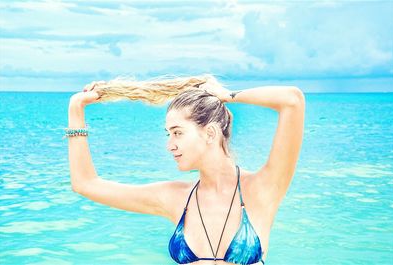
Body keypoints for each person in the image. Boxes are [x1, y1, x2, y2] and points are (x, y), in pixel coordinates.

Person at [67, 74, 305, 265]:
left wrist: (226, 96)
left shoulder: (262, 189)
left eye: (178, 132)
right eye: (169, 134)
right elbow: (85, 183)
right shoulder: (175, 198)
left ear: (210, 133)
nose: (170, 145)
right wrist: (76, 108)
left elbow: (292, 100)